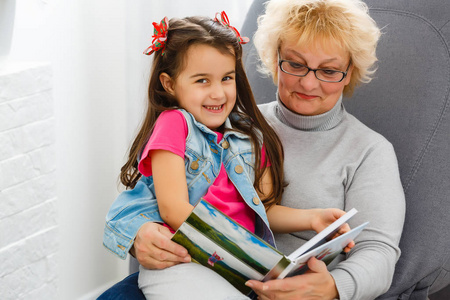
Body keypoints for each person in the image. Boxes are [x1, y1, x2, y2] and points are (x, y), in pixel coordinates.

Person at [103, 11, 354, 300]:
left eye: (226, 78)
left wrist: (313, 218)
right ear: (169, 84)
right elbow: (173, 209)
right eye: (202, 81)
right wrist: (236, 246)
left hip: (235, 266)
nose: (218, 93)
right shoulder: (175, 124)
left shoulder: (250, 135)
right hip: (185, 261)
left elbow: (263, 208)